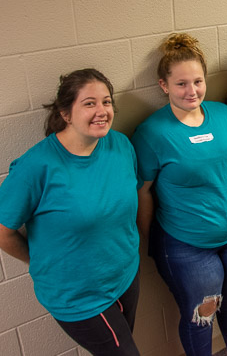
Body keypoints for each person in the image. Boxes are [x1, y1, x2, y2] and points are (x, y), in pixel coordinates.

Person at [0, 69, 141, 356]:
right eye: (89, 103)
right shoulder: (36, 166)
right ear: (65, 113)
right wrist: (38, 260)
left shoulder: (121, 145)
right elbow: (3, 231)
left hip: (125, 275)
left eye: (106, 101)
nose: (101, 111)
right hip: (78, 295)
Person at [132, 33, 227, 356]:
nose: (192, 91)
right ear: (164, 86)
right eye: (181, 84)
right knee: (202, 316)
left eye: (197, 81)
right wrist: (146, 240)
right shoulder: (152, 132)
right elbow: (143, 192)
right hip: (186, 244)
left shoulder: (225, 115)